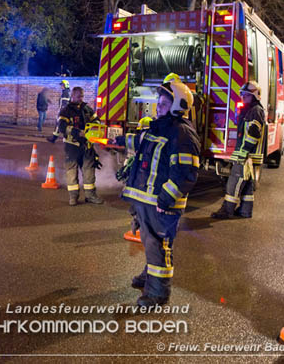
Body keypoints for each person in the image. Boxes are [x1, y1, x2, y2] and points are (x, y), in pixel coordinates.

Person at [112, 80, 200, 307]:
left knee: (160, 246)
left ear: (177, 106)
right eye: (158, 101)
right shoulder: (161, 126)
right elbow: (142, 141)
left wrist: (166, 199)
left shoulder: (182, 134)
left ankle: (157, 294)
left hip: (160, 204)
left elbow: (186, 172)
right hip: (147, 200)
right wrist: (118, 141)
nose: (158, 106)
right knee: (150, 242)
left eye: (164, 102)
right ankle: (150, 276)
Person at [211, 81, 265, 219]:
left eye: (246, 95)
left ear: (255, 96)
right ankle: (245, 211)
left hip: (246, 156)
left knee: (234, 183)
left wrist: (245, 152)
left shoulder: (255, 111)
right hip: (248, 155)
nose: (243, 98)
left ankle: (227, 211)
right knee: (246, 185)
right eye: (242, 95)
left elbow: (253, 135)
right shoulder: (252, 110)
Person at [57, 86, 104, 206]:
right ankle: (73, 197)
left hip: (86, 145)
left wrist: (94, 128)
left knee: (89, 171)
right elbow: (62, 126)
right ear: (72, 96)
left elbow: (97, 120)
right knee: (72, 172)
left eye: (82, 96)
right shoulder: (66, 111)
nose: (81, 98)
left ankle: (90, 195)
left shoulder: (86, 109)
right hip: (72, 146)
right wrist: (77, 132)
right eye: (79, 96)